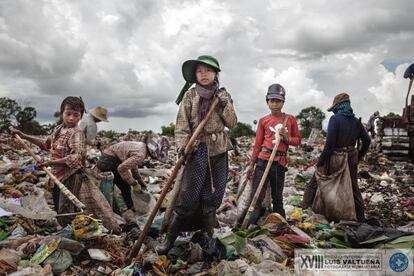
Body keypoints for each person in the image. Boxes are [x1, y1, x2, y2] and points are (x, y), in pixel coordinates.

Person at [156, 55, 237, 255]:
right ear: (195, 75)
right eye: (200, 71)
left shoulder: (223, 95)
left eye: (208, 71)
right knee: (188, 195)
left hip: (218, 150)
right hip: (197, 149)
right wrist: (182, 146)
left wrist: (224, 104)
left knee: (213, 197)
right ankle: (169, 241)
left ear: (216, 74)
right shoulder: (190, 96)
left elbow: (232, 123)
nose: (204, 75)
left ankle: (207, 240)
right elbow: (182, 125)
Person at [11, 97, 86, 226]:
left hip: (71, 176)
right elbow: (45, 145)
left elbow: (75, 158)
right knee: (58, 208)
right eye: (68, 114)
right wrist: (23, 136)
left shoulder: (77, 133)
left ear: (81, 116)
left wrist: (49, 163)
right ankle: (65, 232)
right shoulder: (58, 129)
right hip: (56, 175)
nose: (72, 118)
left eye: (76, 115)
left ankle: (74, 238)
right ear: (62, 113)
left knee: (65, 209)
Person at [300, 93, 370, 222]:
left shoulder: (335, 120)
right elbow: (367, 141)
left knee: (316, 180)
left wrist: (320, 161)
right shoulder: (356, 122)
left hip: (335, 158)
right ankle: (360, 218)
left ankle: (304, 207)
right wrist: (358, 156)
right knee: (353, 187)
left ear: (339, 106)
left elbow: (330, 145)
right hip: (351, 158)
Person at [243, 84, 301, 224]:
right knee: (257, 196)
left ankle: (280, 225)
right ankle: (250, 225)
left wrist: (286, 137)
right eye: (272, 101)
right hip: (263, 160)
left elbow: (297, 140)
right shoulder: (263, 121)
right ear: (267, 102)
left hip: (279, 163)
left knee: (277, 198)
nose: (275, 104)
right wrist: (252, 164)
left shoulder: (290, 119)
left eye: (278, 101)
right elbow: (257, 144)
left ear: (283, 102)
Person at [97, 132, 170, 211]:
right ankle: (130, 209)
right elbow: (121, 168)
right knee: (125, 187)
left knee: (118, 186)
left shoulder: (142, 147)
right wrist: (134, 183)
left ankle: (115, 207)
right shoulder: (141, 154)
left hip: (108, 158)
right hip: (108, 162)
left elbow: (133, 165)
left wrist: (139, 179)